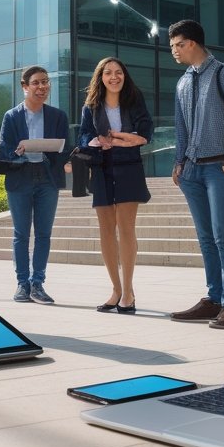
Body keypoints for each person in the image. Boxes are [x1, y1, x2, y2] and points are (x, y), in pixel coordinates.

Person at [168, 20, 224, 330]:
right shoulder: (181, 82)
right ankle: (214, 299)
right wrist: (179, 162)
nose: (174, 51)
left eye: (177, 45)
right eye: (172, 47)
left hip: (220, 167)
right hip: (191, 170)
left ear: (192, 43)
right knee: (206, 238)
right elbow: (180, 128)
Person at [78, 58, 152, 315]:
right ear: (100, 77)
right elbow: (84, 135)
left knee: (126, 228)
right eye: (108, 73)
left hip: (129, 168)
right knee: (106, 230)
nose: (114, 77)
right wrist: (100, 140)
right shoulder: (91, 105)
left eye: (118, 72)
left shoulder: (134, 98)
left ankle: (129, 292)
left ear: (124, 75)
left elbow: (145, 130)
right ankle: (116, 289)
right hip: (101, 168)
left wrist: (125, 139)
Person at [0, 66, 70, 304]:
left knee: (44, 233)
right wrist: (16, 152)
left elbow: (64, 148)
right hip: (21, 177)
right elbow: (3, 148)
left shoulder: (58, 116)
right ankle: (22, 284)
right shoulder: (12, 116)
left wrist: (61, 158)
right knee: (20, 234)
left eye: (45, 82)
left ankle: (38, 283)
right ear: (25, 87)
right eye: (36, 83)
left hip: (47, 178)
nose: (42, 87)